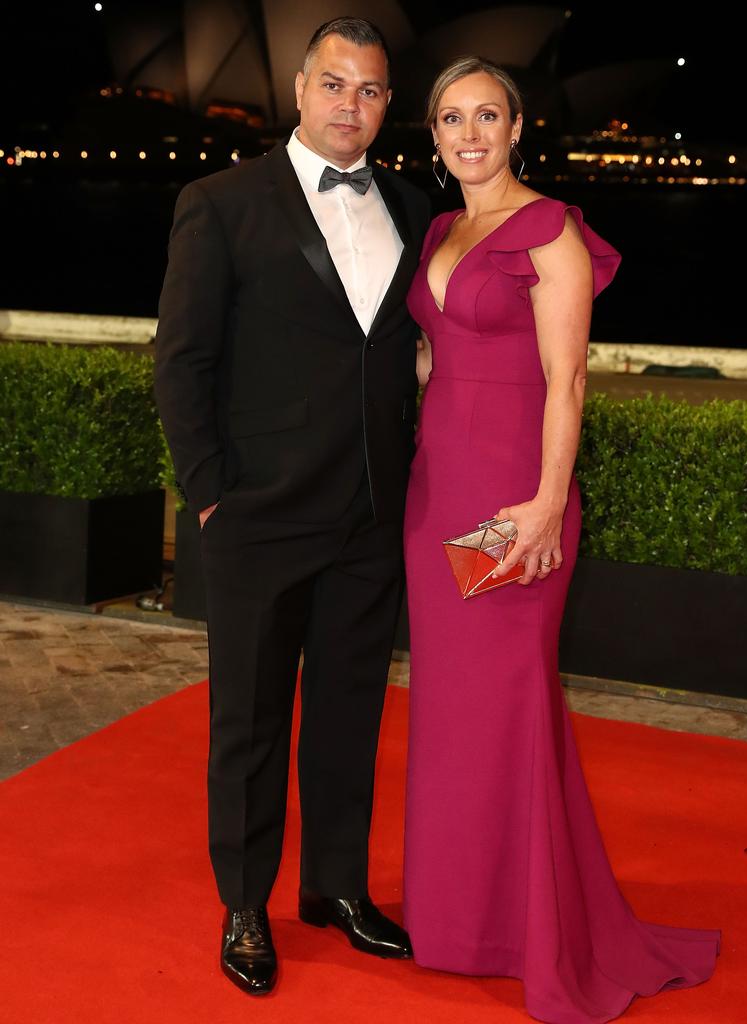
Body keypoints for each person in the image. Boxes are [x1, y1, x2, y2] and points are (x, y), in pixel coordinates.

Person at [402, 56, 720, 1023]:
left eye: (486, 115)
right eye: (452, 118)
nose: (469, 133)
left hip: (513, 499)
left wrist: (546, 505)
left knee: (511, 704)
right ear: (435, 134)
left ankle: (531, 932)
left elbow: (568, 380)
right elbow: (432, 357)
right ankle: (459, 921)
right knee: (452, 715)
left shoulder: (555, 233)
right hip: (435, 498)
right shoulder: (441, 228)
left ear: (518, 126)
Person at [154, 17, 430, 996]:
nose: (351, 105)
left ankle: (337, 889)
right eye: (334, 85)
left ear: (387, 103)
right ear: (299, 90)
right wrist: (212, 497)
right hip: (260, 518)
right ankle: (245, 903)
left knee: (350, 713)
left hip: (369, 517)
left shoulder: (411, 203)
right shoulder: (220, 203)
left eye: (370, 91)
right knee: (251, 721)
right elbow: (181, 363)